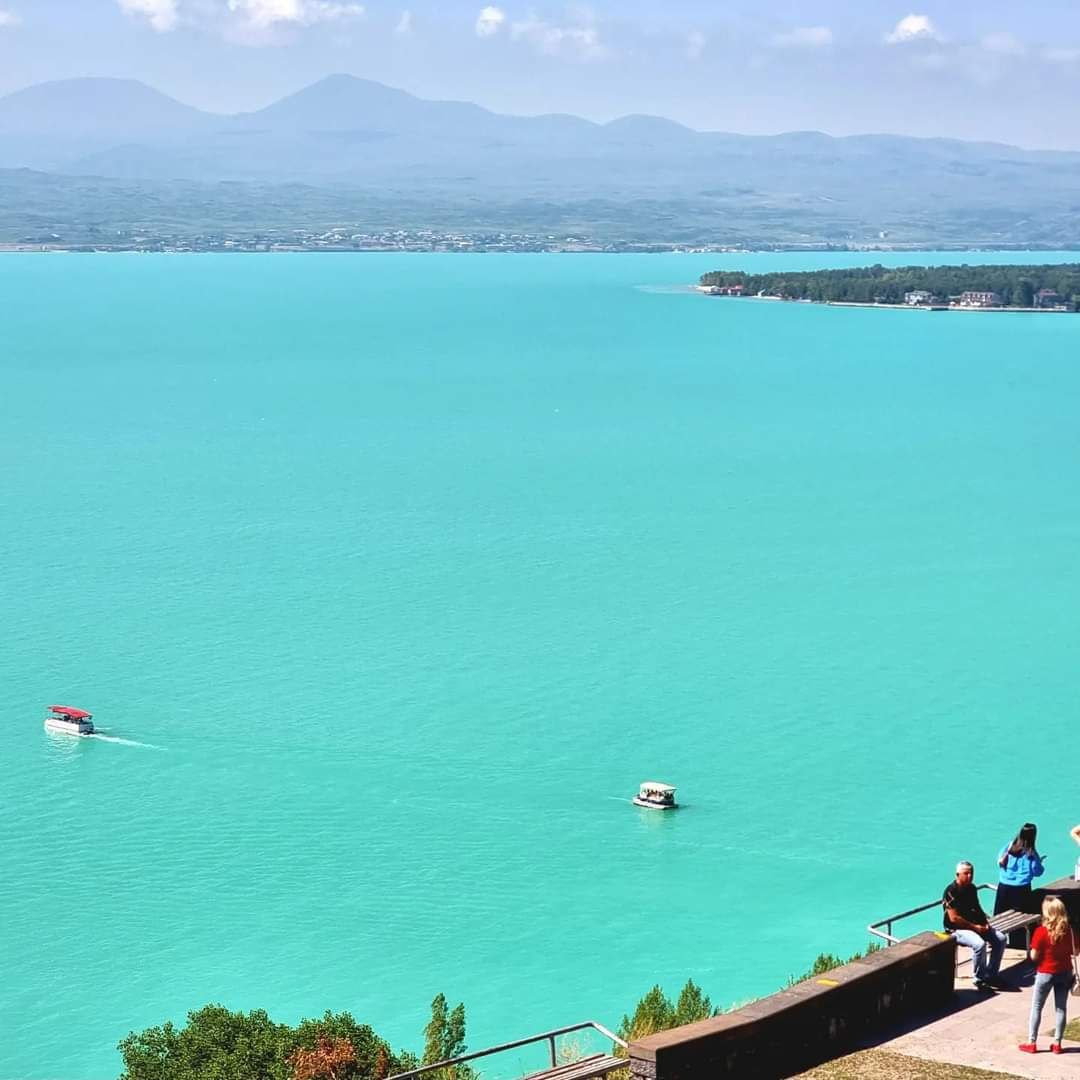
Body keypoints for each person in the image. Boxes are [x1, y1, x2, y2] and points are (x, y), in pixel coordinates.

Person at [1018, 896, 1078, 1055]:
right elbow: (1076, 951)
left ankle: (1032, 1042)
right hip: (1065, 971)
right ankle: (1057, 1043)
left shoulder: (1041, 932)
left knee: (1037, 1006)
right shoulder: (1069, 931)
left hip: (1045, 972)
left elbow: (1034, 956)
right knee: (1061, 1008)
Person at [943, 861, 1007, 990]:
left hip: (974, 924)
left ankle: (991, 975)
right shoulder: (950, 891)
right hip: (956, 929)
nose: (970, 876)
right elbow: (954, 918)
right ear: (957, 874)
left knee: (1000, 939)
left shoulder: (971, 888)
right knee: (979, 944)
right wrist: (975, 927)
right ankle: (979, 978)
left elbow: (977, 907)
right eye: (966, 873)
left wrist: (985, 923)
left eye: (971, 873)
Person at [995, 823, 1045, 945]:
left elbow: (999, 861)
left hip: (1003, 888)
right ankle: (1018, 945)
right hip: (1021, 890)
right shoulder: (1030, 853)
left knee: (999, 917)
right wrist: (1040, 861)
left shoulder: (1009, 845)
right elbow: (1038, 871)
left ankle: (995, 942)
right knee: (1021, 921)